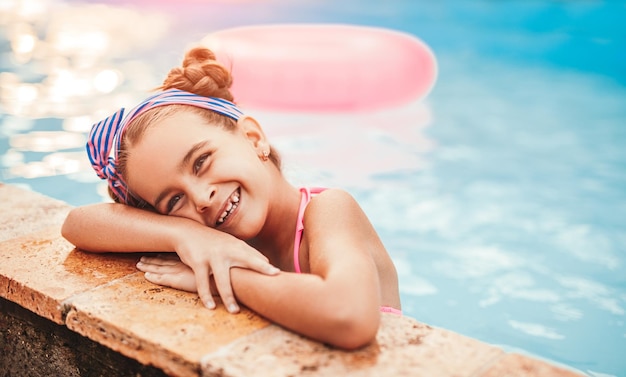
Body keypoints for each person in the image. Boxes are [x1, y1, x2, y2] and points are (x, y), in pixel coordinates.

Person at [62, 47, 401, 350]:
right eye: (173, 201)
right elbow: (76, 225)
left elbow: (349, 318)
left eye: (201, 162)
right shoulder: (209, 240)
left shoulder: (328, 210)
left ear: (254, 138)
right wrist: (185, 234)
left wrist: (221, 278)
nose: (201, 198)